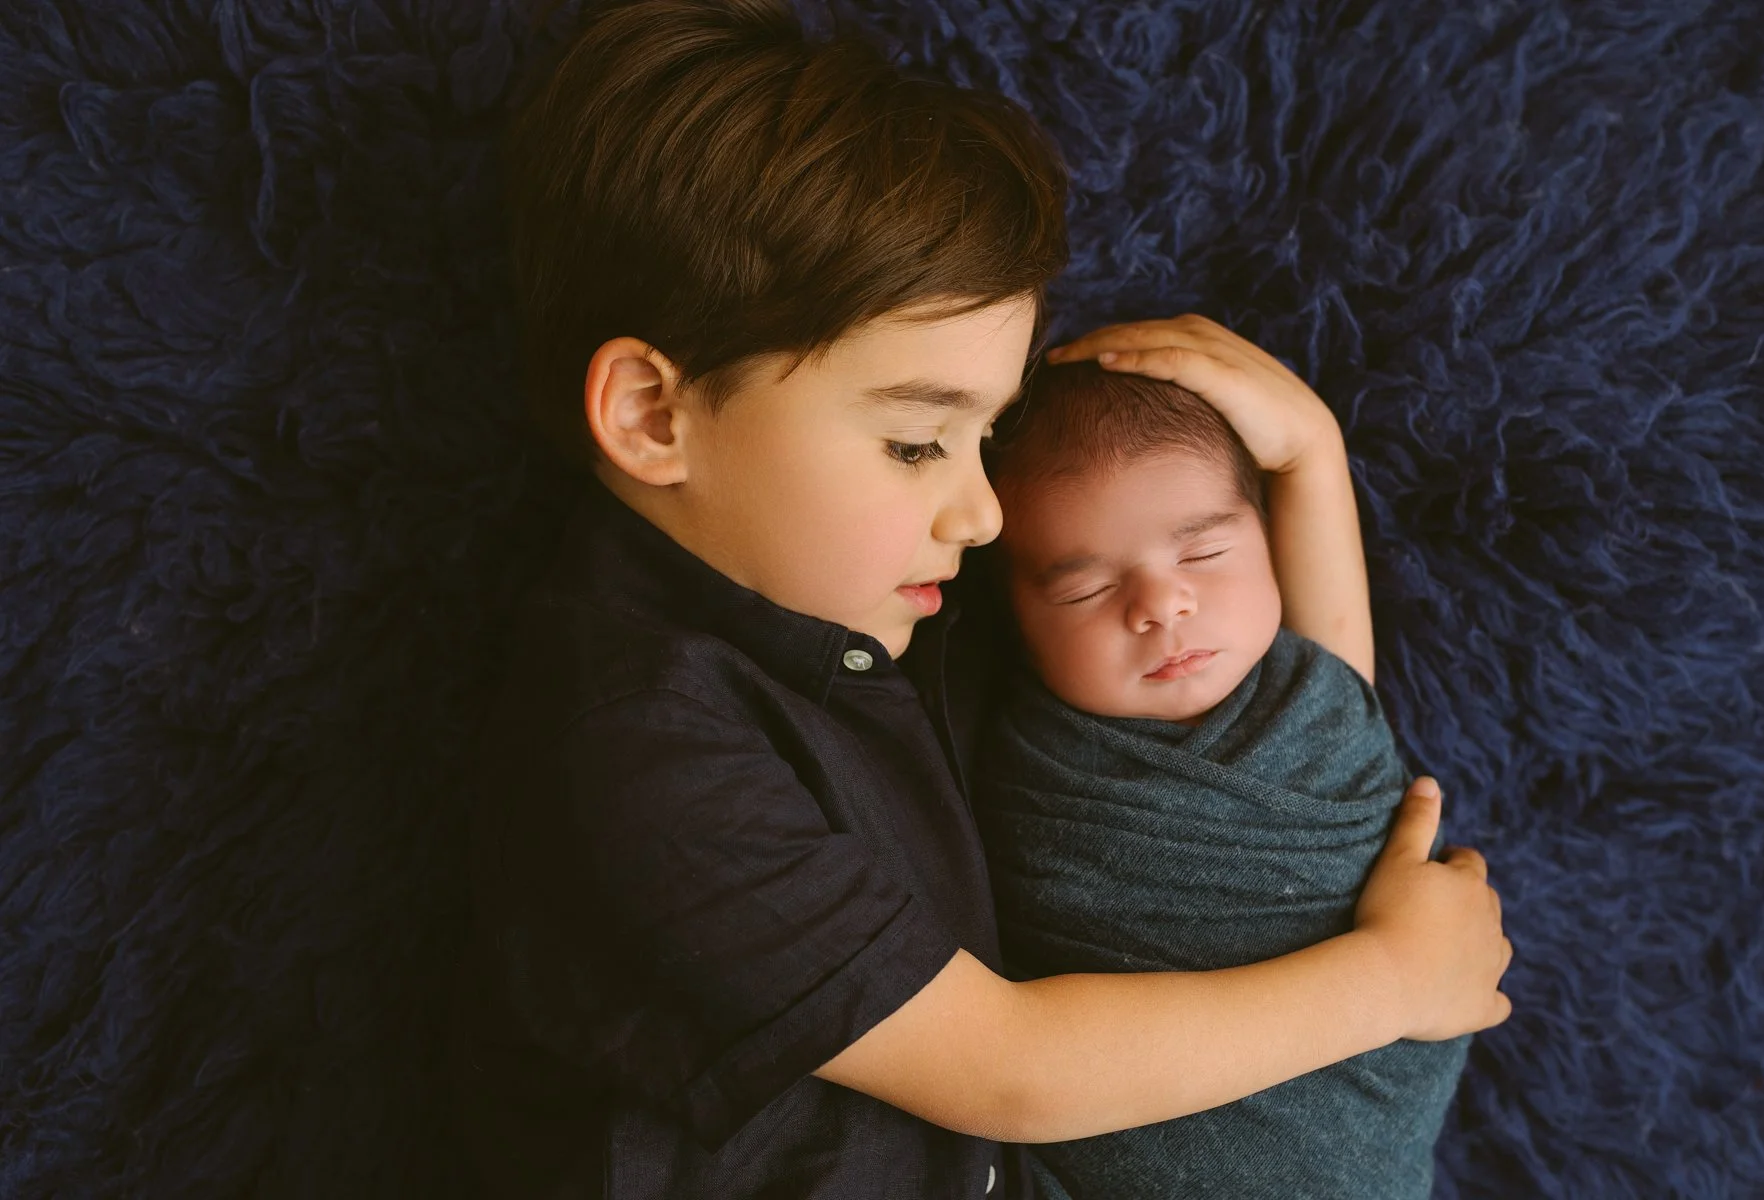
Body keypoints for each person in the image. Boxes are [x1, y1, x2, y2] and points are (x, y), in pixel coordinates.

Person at [448, 2, 1513, 1196]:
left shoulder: (892, 607)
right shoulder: (636, 748)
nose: (986, 512)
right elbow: (1009, 1068)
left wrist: (1308, 463)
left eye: (987, 436)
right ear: (655, 414)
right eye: (916, 443)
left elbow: (1283, 739)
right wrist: (1391, 983)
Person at [974, 331, 1472, 1199]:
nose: (1161, 604)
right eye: (1085, 589)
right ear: (1013, 619)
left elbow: (1337, 653)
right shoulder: (1021, 763)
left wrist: (1310, 449)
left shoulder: (1315, 700)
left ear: (1269, 546)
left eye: (1203, 553)